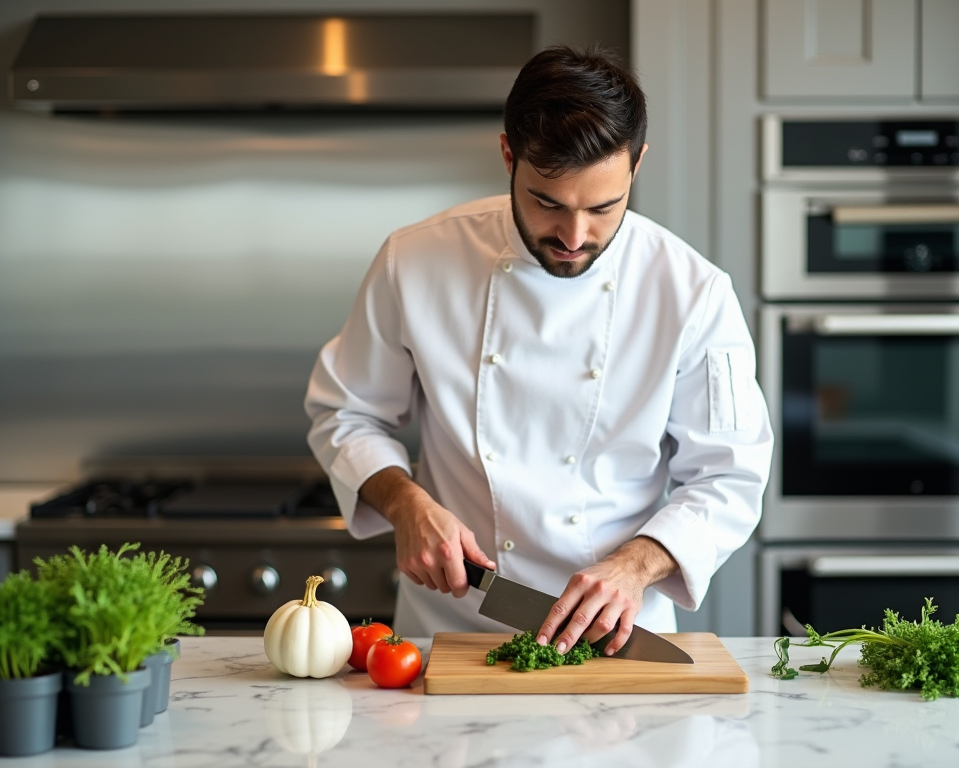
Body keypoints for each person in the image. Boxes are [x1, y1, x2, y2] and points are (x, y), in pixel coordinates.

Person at [305, 44, 773, 656]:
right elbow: (346, 412)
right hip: (453, 628)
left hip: (617, 634)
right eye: (547, 203)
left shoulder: (693, 293)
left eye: (604, 208)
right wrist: (406, 502)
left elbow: (729, 475)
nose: (575, 237)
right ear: (508, 155)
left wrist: (636, 566)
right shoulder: (414, 261)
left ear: (637, 165)